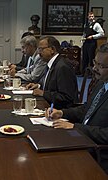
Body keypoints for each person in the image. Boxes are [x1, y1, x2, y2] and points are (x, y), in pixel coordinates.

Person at [46, 43, 108, 173]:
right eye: (94, 62)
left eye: (100, 66)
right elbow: (86, 109)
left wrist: (76, 128)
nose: (94, 68)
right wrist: (62, 113)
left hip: (97, 152)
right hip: (82, 139)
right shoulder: (102, 83)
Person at [26, 36, 78, 109]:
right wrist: (38, 86)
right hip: (49, 106)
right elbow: (52, 86)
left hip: (58, 111)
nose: (39, 53)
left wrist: (43, 93)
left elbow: (66, 97)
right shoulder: (51, 63)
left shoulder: (62, 67)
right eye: (38, 49)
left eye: (41, 49)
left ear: (52, 49)